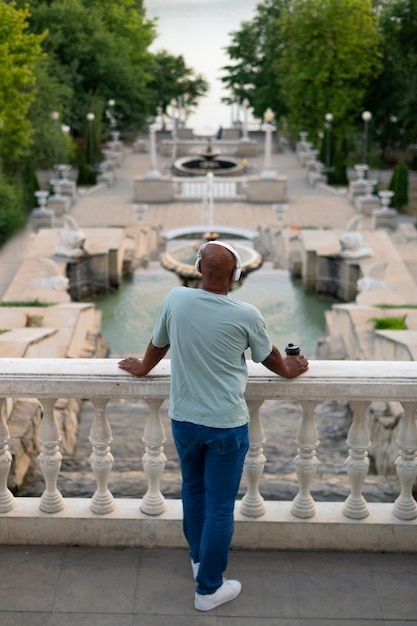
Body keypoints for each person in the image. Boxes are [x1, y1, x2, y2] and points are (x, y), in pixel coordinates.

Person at [118, 240, 309, 612]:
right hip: (226, 426)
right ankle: (208, 589)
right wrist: (290, 368)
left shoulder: (175, 299)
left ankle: (198, 560)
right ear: (236, 276)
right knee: (220, 507)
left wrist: (142, 367)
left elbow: (159, 344)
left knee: (192, 490)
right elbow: (270, 357)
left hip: (184, 421)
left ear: (197, 268)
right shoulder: (247, 314)